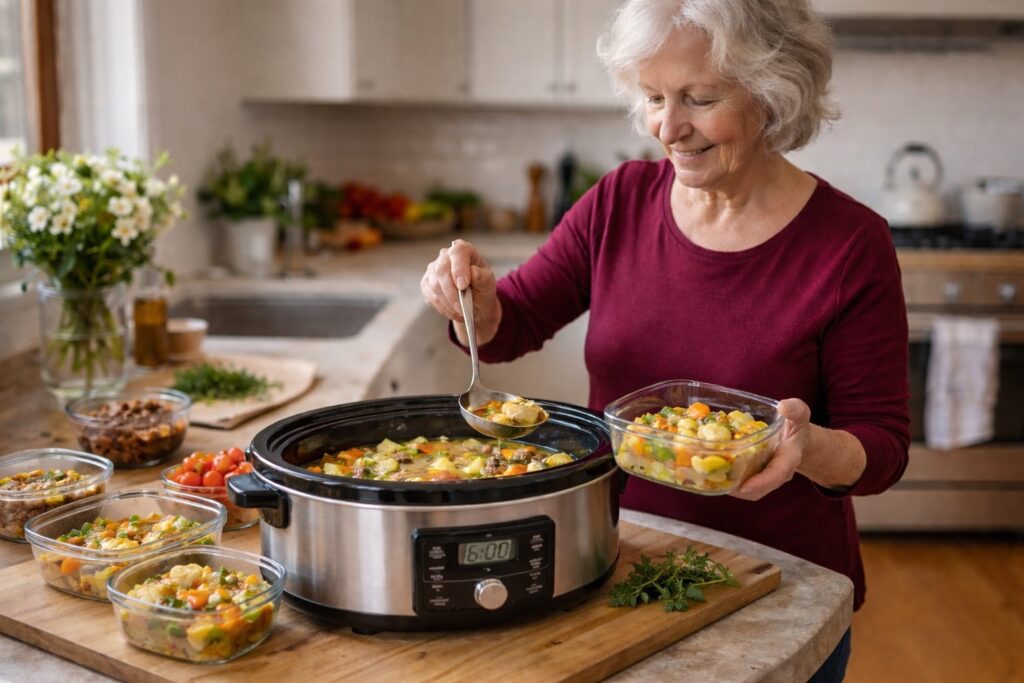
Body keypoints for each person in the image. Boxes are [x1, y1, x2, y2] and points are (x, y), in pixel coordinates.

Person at [420, 1, 909, 680]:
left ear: (773, 93)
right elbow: (514, 322)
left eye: (699, 99)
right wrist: (473, 302)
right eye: (653, 97)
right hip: (627, 567)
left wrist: (806, 446)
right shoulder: (620, 199)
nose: (668, 127)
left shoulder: (850, 244)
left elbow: (881, 447)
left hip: (781, 585)